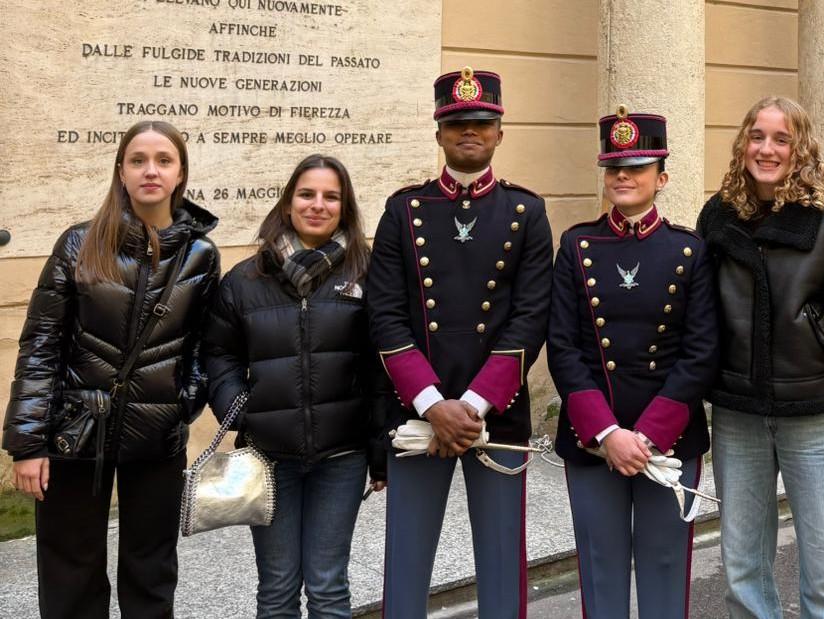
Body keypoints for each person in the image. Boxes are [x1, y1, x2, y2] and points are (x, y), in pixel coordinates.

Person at [3, 120, 220, 618]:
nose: (150, 171)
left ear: (180, 173)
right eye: (138, 160)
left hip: (158, 435)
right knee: (71, 572)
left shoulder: (201, 255)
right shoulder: (78, 244)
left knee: (151, 573)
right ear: (121, 171)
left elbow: (206, 348)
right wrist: (28, 443)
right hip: (76, 431)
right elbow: (41, 346)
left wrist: (181, 404)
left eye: (163, 161)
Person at [367, 67, 553, 618]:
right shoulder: (403, 210)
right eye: (456, 123)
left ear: (499, 133)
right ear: (439, 133)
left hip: (496, 412)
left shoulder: (527, 212)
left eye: (481, 123)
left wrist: (470, 407)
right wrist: (432, 405)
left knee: (501, 564)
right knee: (406, 565)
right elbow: (385, 315)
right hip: (416, 413)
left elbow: (530, 318)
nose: (468, 131)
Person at [696, 96, 824, 618]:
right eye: (757, 136)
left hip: (816, 415)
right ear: (742, 144)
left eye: (781, 139)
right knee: (742, 566)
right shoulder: (716, 217)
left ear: (801, 150)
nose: (767, 149)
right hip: (738, 413)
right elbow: (701, 314)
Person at [548, 106, 718, 619]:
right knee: (600, 567)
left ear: (661, 178)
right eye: (614, 167)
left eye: (637, 167)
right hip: (593, 439)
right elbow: (563, 348)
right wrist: (608, 434)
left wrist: (645, 437)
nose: (623, 176)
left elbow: (700, 352)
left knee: (665, 566)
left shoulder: (689, 250)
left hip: (667, 439)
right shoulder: (576, 245)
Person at [203, 154, 386, 618]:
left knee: (328, 585)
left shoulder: (368, 275)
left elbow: (381, 365)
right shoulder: (245, 280)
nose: (317, 205)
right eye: (306, 194)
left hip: (342, 457)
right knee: (278, 587)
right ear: (287, 203)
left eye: (331, 197)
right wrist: (241, 409)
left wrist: (379, 449)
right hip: (268, 458)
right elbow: (219, 354)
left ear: (345, 208)